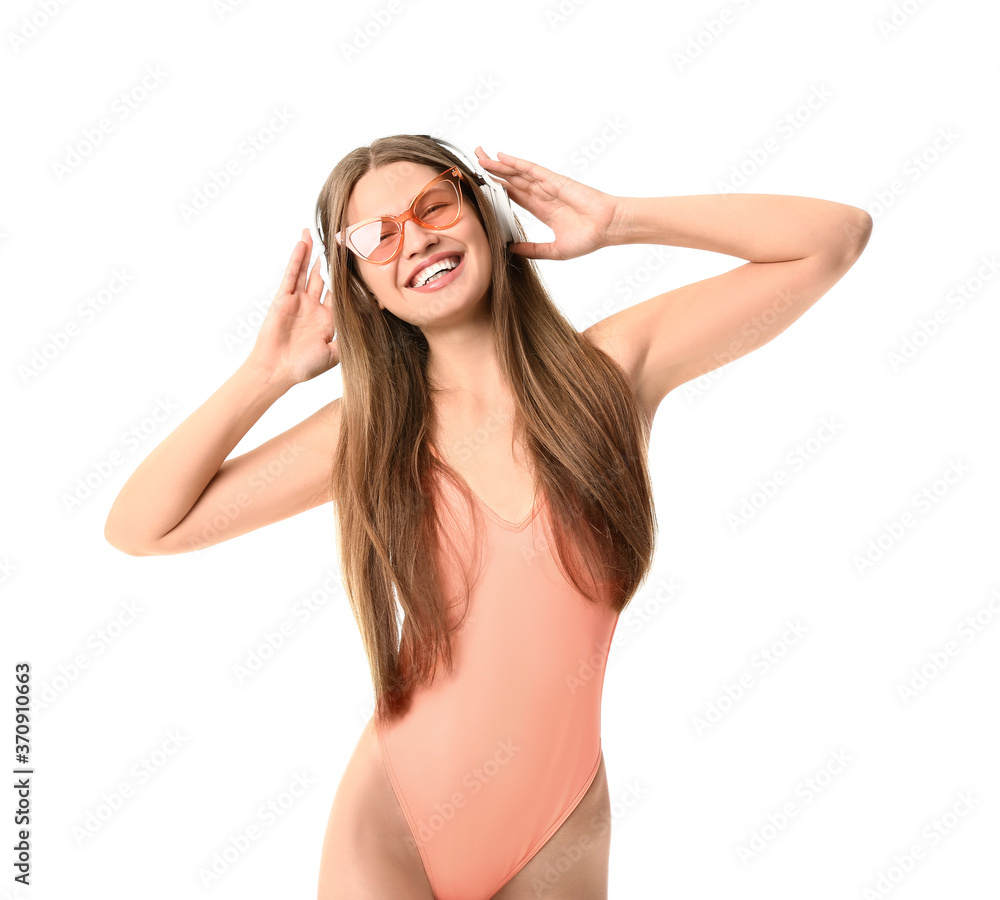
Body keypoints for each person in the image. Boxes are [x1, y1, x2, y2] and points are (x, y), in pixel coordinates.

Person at [104, 134, 872, 898]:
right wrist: (266, 375)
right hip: (396, 826)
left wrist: (617, 220)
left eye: (434, 205)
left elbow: (834, 240)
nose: (417, 239)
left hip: (559, 827)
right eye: (377, 237)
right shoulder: (368, 430)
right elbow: (142, 527)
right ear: (362, 287)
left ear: (484, 212)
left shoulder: (612, 372)